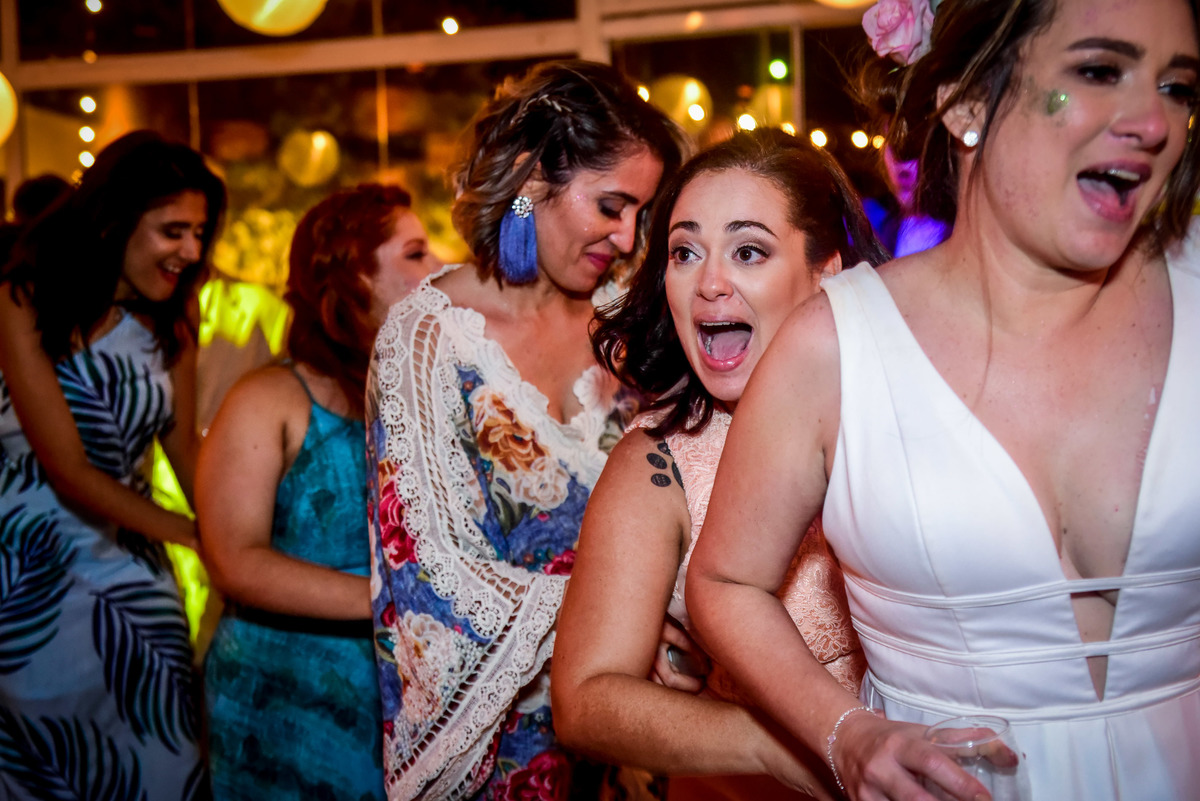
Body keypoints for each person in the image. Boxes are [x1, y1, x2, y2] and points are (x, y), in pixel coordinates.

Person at [687, 0, 1200, 799]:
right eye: (1100, 71)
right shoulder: (835, 346)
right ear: (967, 102)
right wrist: (845, 732)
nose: (1153, 122)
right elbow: (724, 582)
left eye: (1177, 87)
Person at [365, 60, 686, 800]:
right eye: (611, 205)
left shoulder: (628, 320)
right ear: (532, 178)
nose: (627, 236)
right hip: (504, 737)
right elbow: (430, 568)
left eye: (640, 213)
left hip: (640, 716)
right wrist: (622, 615)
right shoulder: (426, 339)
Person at [552, 128, 888, 801]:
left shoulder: (904, 417)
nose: (709, 283)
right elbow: (585, 698)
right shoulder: (659, 462)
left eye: (748, 251)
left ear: (826, 272)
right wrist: (785, 741)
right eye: (684, 252)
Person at [0, 131, 225, 796]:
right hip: (28, 574)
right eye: (172, 231)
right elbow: (66, 469)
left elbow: (184, 450)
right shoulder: (22, 300)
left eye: (199, 233)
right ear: (114, 220)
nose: (191, 251)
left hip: (133, 570)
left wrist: (238, 534)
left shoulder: (174, 317)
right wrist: (199, 536)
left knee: (167, 758)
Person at [198, 183, 439, 801]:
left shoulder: (419, 397)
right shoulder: (268, 399)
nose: (439, 267)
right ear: (353, 277)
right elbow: (233, 560)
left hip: (400, 690)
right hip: (286, 695)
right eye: (416, 253)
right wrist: (402, 604)